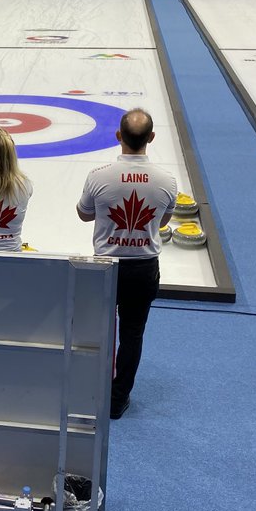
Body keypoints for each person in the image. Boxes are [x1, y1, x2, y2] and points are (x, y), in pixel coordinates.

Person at [76, 109, 175, 418]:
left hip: (105, 267)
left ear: (118, 136)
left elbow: (84, 213)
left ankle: (89, 392)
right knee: (132, 335)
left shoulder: (98, 175)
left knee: (98, 332)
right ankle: (117, 401)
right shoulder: (167, 181)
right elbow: (162, 222)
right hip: (143, 267)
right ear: (151, 138)